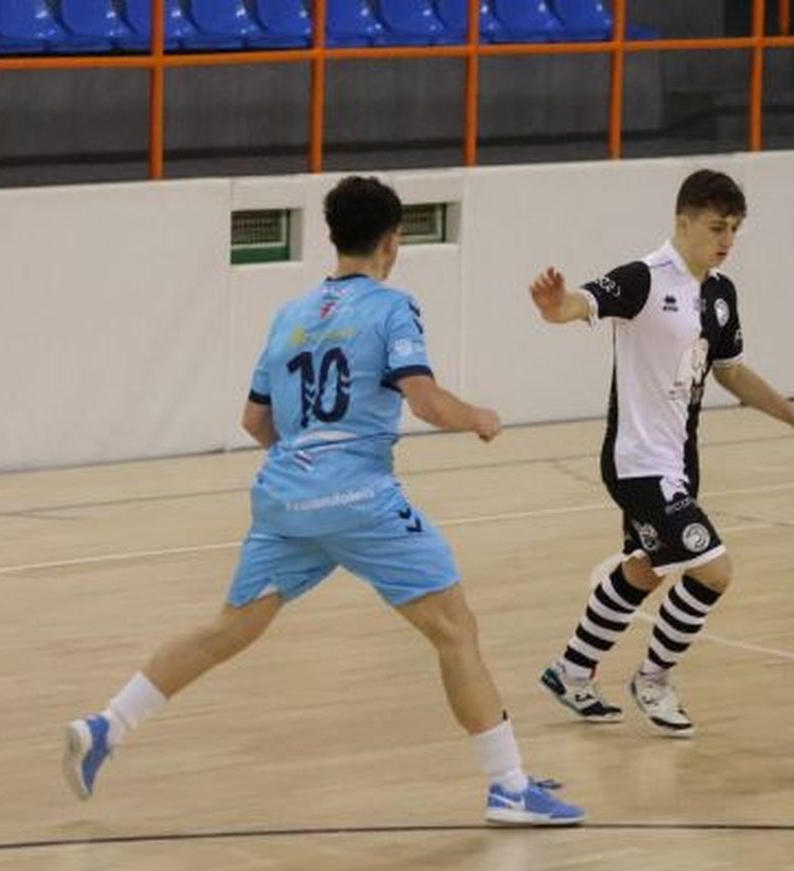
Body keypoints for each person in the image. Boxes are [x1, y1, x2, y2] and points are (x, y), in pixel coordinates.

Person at [64, 176, 582, 826]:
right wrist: (478, 415)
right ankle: (508, 786)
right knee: (455, 629)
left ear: (333, 237)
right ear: (392, 243)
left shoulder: (290, 314)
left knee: (228, 628)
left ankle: (106, 726)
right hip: (360, 497)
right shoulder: (393, 307)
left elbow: (255, 421)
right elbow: (424, 401)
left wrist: (306, 470)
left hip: (283, 495)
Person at [527, 169, 794, 737]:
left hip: (679, 464)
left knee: (644, 570)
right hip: (637, 463)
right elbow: (580, 303)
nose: (727, 240)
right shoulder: (643, 279)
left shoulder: (721, 294)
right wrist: (555, 307)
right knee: (714, 572)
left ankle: (571, 669)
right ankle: (654, 680)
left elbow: (731, 372)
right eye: (717, 228)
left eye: (735, 229)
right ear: (684, 222)